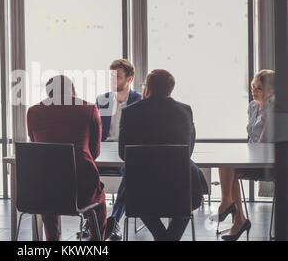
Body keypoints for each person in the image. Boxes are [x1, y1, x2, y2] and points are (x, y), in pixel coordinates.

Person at [118, 69, 208, 241]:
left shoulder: (130, 112)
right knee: (187, 200)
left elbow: (124, 153)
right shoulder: (185, 110)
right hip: (179, 185)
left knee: (139, 200)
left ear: (147, 87)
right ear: (171, 89)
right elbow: (188, 151)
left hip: (142, 188)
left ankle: (162, 237)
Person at [27, 75, 107, 241]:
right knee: (98, 199)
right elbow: (95, 152)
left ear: (49, 94)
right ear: (73, 91)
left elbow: (36, 146)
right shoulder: (89, 108)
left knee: (47, 190)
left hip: (46, 187)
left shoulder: (33, 111)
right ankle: (96, 239)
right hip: (81, 187)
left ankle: (52, 239)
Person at [215, 70, 275, 241]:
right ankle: (236, 217)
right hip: (253, 157)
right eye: (252, 87)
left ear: (270, 90)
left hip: (267, 162)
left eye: (259, 88)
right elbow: (252, 138)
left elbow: (266, 141)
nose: (254, 92)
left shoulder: (274, 108)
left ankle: (232, 212)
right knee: (226, 164)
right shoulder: (252, 106)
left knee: (229, 168)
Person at [94, 59, 141, 241]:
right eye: (111, 76)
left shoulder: (139, 100)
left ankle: (114, 221)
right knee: (84, 171)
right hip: (104, 149)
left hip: (127, 151)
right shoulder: (102, 100)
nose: (112, 80)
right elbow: (94, 129)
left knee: (131, 173)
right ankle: (91, 221)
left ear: (129, 79)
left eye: (117, 76)